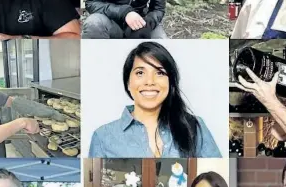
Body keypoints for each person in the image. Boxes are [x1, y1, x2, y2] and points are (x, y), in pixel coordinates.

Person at [88, 42, 221, 157]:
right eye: (140, 73)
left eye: (159, 73)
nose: (150, 81)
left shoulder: (195, 127)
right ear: (128, 82)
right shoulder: (103, 137)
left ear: (171, 82)